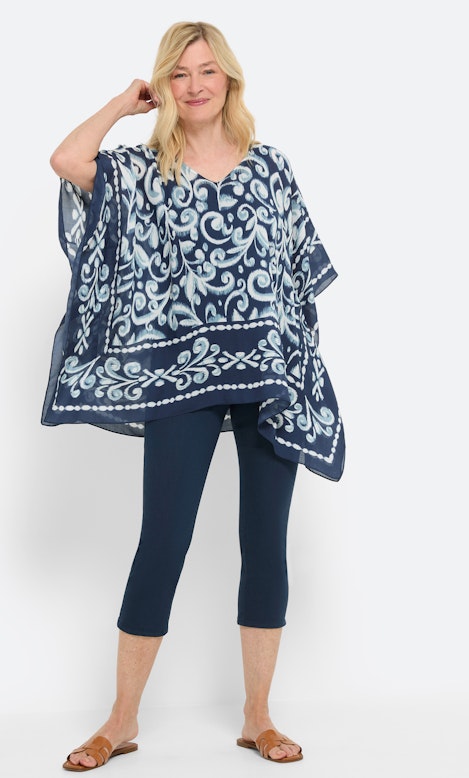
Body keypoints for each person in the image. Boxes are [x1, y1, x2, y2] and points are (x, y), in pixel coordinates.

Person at [42, 20, 345, 770]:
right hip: (182, 378)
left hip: (268, 377)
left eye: (207, 70)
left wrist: (297, 369)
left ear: (229, 78)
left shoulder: (269, 168)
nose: (195, 84)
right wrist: (123, 103)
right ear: (164, 86)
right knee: (163, 540)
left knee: (264, 543)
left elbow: (297, 279)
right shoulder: (145, 172)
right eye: (179, 73)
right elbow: (68, 160)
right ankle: (120, 722)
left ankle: (257, 717)